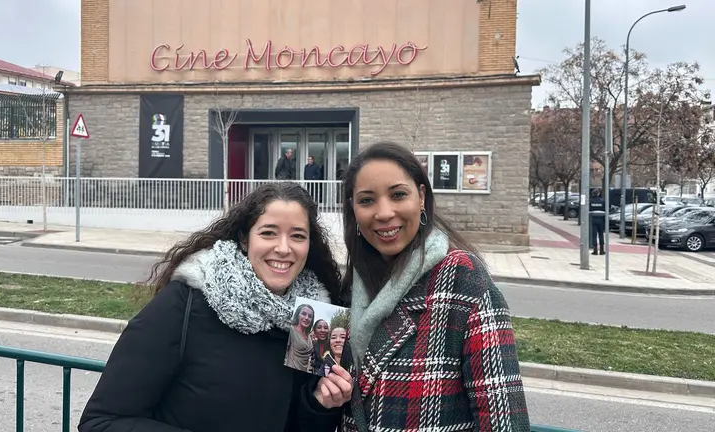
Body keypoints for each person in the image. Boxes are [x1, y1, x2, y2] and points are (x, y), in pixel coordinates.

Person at [78, 182, 352, 432]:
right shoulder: (184, 303)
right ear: (245, 239)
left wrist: (319, 405)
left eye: (297, 236)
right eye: (268, 233)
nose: (283, 248)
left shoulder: (315, 317)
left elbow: (295, 425)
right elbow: (101, 421)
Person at [339, 142, 530, 432]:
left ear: (421, 197)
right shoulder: (351, 286)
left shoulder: (463, 279)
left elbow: (504, 419)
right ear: (353, 208)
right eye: (366, 200)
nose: (384, 213)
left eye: (398, 194)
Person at [285, 304, 316, 372]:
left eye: (310, 316)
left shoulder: (309, 336)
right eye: (304, 314)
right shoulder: (291, 330)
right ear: (298, 315)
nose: (307, 318)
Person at [589, 188, 606, 255]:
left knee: (594, 235)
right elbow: (605, 210)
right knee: (601, 235)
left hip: (593, 219)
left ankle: (595, 250)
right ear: (599, 193)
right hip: (601, 219)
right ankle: (602, 250)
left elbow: (589, 210)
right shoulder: (603, 201)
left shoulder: (591, 201)